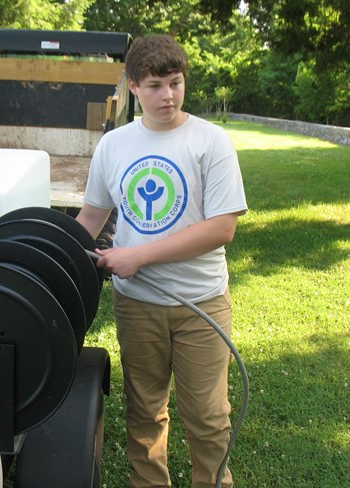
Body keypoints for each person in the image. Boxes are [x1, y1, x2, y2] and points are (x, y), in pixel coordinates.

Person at [76, 33, 247, 488]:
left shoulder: (210, 141)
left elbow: (222, 228)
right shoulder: (114, 146)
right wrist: (55, 256)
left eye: (175, 82)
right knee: (145, 410)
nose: (168, 95)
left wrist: (138, 256)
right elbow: (92, 215)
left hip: (201, 302)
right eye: (154, 86)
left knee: (208, 415)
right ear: (132, 86)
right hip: (137, 305)